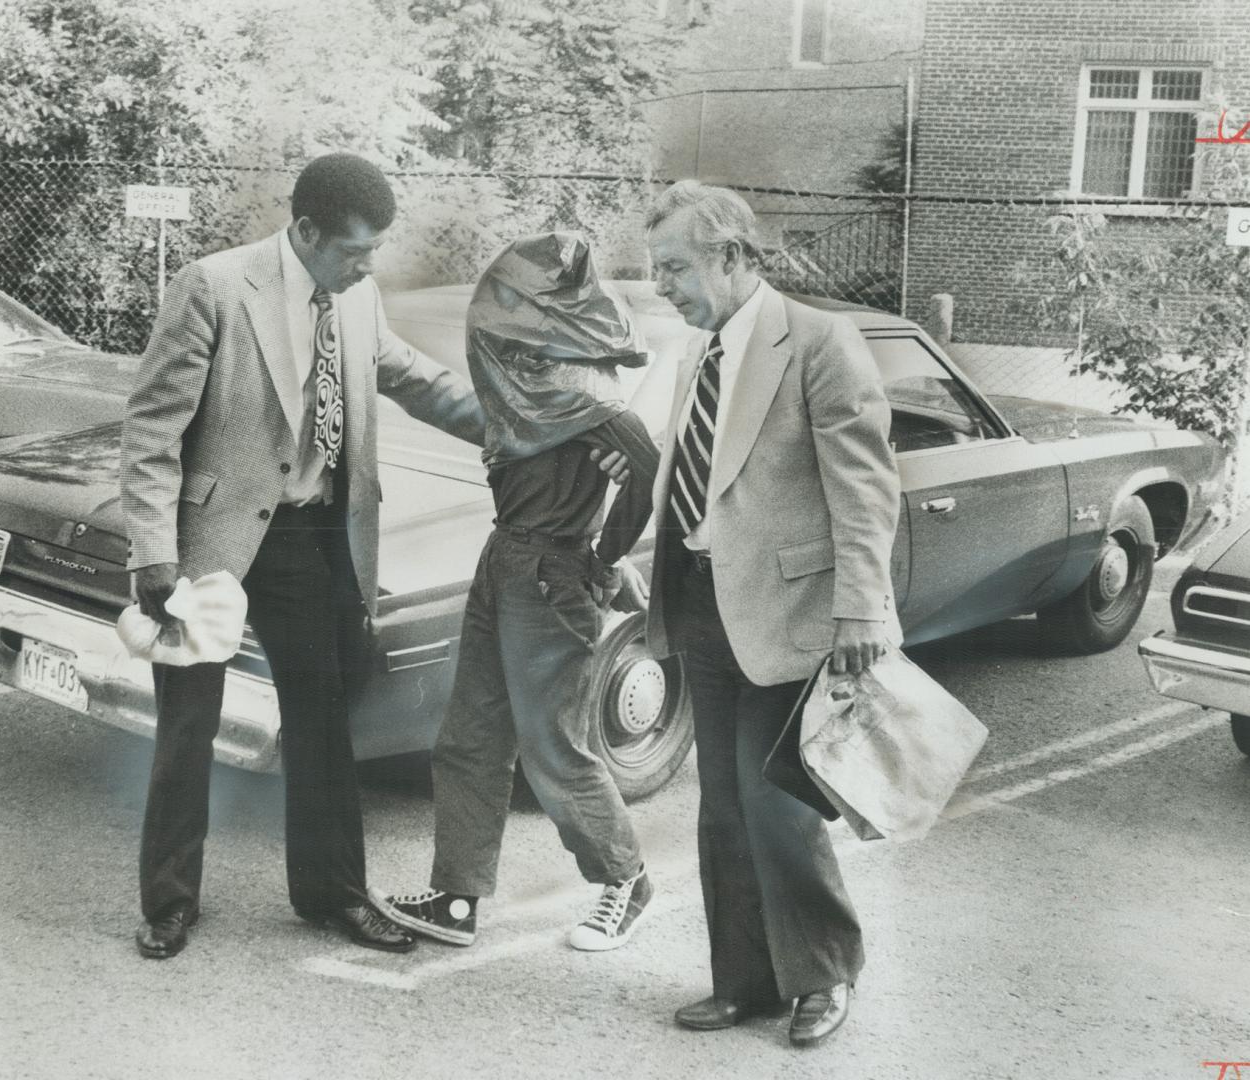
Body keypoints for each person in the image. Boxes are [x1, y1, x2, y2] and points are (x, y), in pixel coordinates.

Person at [120, 152, 488, 959]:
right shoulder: (213, 286)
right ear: (307, 229)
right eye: (355, 250)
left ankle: (332, 895)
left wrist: (515, 429)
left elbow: (413, 378)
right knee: (189, 725)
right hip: (209, 541)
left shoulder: (356, 300)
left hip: (313, 539)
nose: (367, 266)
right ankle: (169, 903)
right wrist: (152, 552)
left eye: (375, 252)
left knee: (323, 722)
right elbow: (151, 431)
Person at [642, 181, 901, 1046]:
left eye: (674, 267)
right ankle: (745, 983)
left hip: (792, 612)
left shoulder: (820, 341)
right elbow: (698, 481)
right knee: (719, 804)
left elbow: (863, 489)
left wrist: (863, 608)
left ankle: (825, 973)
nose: (661, 286)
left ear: (729, 257)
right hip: (704, 605)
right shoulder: (700, 352)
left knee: (773, 801)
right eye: (655, 270)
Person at [376, 232, 658, 952]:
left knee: (551, 747)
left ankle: (625, 880)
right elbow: (441, 401)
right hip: (504, 561)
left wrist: (604, 554)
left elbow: (650, 470)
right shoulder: (526, 399)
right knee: (469, 738)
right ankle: (458, 898)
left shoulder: (590, 403)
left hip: (552, 576)